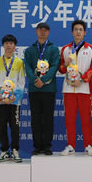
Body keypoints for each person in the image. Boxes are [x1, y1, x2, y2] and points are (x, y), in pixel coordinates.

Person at [58, 20, 92, 156]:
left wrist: (82, 79)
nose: (78, 32)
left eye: (81, 29)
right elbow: (61, 69)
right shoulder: (65, 49)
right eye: (76, 29)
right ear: (72, 32)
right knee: (69, 119)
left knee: (86, 119)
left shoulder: (91, 49)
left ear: (85, 32)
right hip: (68, 89)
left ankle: (88, 145)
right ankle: (70, 145)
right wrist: (65, 64)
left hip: (84, 89)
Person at [24, 22, 60, 156]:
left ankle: (47, 146)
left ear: (48, 32)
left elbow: (55, 66)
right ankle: (37, 146)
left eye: (45, 30)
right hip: (34, 89)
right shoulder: (30, 50)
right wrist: (35, 80)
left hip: (49, 89)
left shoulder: (53, 49)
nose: (43, 32)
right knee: (35, 119)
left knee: (48, 119)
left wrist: (43, 80)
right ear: (36, 31)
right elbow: (27, 67)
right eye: (40, 30)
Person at [0, 35, 26, 163]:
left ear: (15, 46)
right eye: (6, 43)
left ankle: (15, 150)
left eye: (11, 43)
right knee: (1, 126)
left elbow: (21, 82)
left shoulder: (19, 62)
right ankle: (4, 151)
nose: (9, 45)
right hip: (0, 101)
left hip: (14, 101)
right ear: (3, 45)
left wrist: (15, 97)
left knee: (15, 126)